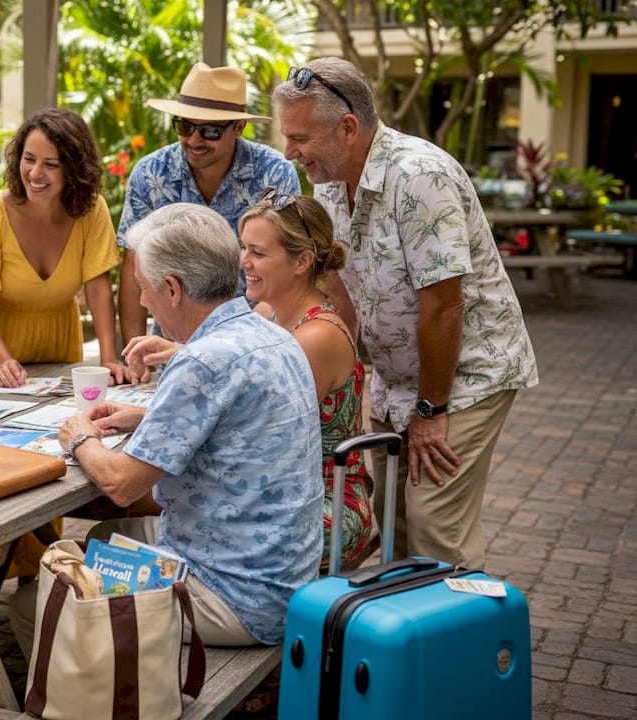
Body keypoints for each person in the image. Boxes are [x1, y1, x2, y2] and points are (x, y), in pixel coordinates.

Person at [11, 203, 322, 655]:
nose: (141, 301)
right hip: (282, 574)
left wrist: (79, 435)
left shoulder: (202, 361)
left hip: (235, 596)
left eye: (143, 289)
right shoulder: (270, 331)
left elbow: (119, 483)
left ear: (173, 289)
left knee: (29, 602)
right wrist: (144, 417)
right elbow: (230, 420)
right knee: (102, 539)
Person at [272, 57, 539, 568]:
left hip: (464, 376)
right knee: (388, 522)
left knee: (435, 531)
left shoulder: (421, 176)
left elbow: (444, 306)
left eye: (300, 137)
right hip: (395, 378)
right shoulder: (328, 180)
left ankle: (457, 644)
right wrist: (344, 386)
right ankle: (405, 646)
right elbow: (341, 290)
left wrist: (431, 412)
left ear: (348, 128)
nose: (290, 152)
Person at [117, 63, 300, 356]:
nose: (194, 140)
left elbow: (284, 271)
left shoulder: (274, 173)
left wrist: (234, 348)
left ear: (239, 127)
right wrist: (134, 354)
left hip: (248, 348)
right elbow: (133, 268)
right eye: (184, 126)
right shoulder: (150, 173)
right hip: (165, 348)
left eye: (210, 131)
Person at [239, 189, 378, 572]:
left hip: (323, 498)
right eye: (244, 248)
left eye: (258, 253)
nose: (243, 262)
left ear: (302, 261)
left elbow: (259, 426)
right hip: (279, 487)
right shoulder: (268, 309)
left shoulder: (316, 336)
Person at [0, 108, 124, 387]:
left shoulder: (92, 211)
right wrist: (4, 362)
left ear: (74, 169)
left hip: (61, 345)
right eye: (29, 159)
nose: (35, 173)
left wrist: (108, 360)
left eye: (51, 164)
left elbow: (98, 287)